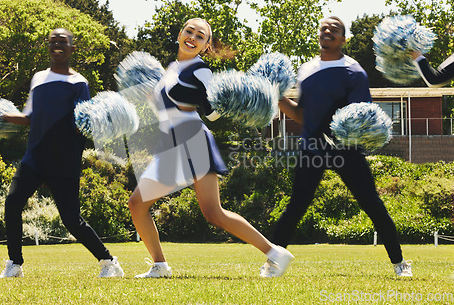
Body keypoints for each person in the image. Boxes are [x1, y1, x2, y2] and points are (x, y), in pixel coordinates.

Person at [128, 18, 294, 278]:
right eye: (189, 31)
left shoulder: (200, 70)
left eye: (200, 36)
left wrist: (196, 100)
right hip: (171, 141)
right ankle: (160, 265)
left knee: (210, 212)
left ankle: (274, 253)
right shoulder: (172, 67)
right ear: (180, 33)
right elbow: (165, 107)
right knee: (141, 204)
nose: (192, 37)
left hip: (191, 139)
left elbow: (214, 113)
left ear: (205, 46)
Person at [270, 17, 412, 277]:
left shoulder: (354, 71)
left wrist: (348, 138)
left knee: (371, 203)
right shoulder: (306, 70)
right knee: (297, 205)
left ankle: (400, 263)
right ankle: (273, 263)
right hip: (312, 147)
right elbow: (302, 115)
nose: (327, 31)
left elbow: (360, 117)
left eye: (334, 30)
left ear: (343, 39)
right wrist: (277, 98)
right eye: (324, 28)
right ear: (318, 35)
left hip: (345, 149)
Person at [0, 28, 124, 278]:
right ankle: (15, 264)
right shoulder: (38, 78)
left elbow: (83, 123)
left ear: (72, 49)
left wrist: (99, 122)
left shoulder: (79, 83)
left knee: (71, 220)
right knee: (13, 204)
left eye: (62, 42)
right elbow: (30, 117)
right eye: (52, 41)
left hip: (64, 160)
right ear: (48, 47)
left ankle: (109, 262)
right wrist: (2, 116)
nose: (57, 45)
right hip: (34, 157)